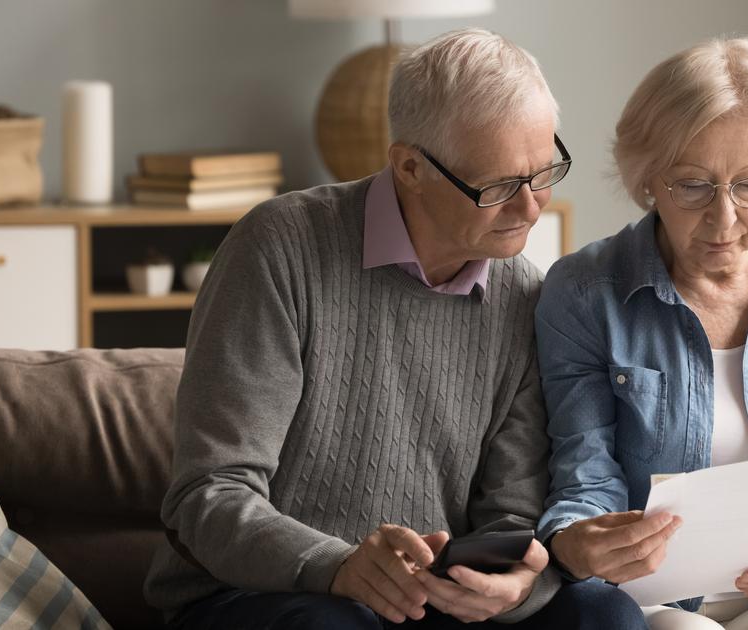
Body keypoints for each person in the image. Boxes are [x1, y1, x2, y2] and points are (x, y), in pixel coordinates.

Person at [144, 28, 645, 630]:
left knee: (604, 615)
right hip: (257, 595)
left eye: (543, 173)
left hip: (429, 603)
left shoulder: (525, 298)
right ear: (410, 166)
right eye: (499, 186)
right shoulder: (280, 248)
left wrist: (516, 584)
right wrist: (339, 566)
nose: (531, 208)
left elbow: (509, 516)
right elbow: (210, 493)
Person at [535, 36, 748, 630]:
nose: (724, 220)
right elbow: (584, 479)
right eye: (693, 186)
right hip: (657, 602)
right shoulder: (583, 292)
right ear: (649, 179)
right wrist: (580, 541)